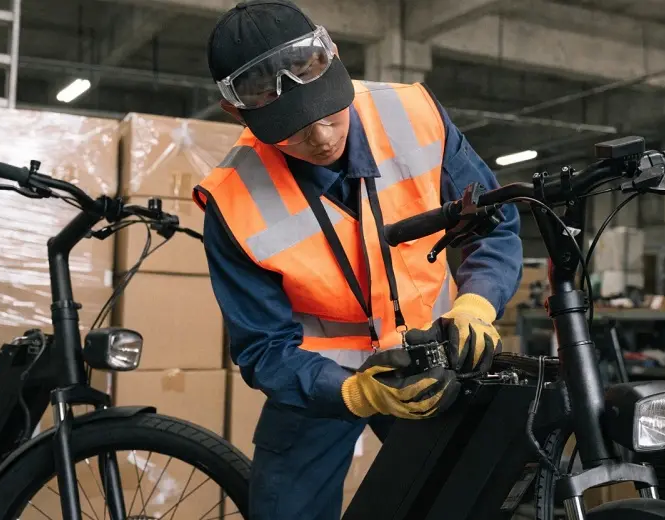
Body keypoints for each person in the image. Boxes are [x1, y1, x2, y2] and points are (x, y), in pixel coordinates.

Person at [194, 1, 523, 518]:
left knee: (457, 502)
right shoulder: (232, 202)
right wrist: (352, 393)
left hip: (430, 359)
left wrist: (477, 304)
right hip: (317, 384)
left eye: (329, 112)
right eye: (293, 130)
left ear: (337, 61)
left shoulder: (412, 114)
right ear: (238, 114)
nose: (323, 139)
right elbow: (262, 347)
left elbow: (495, 223)